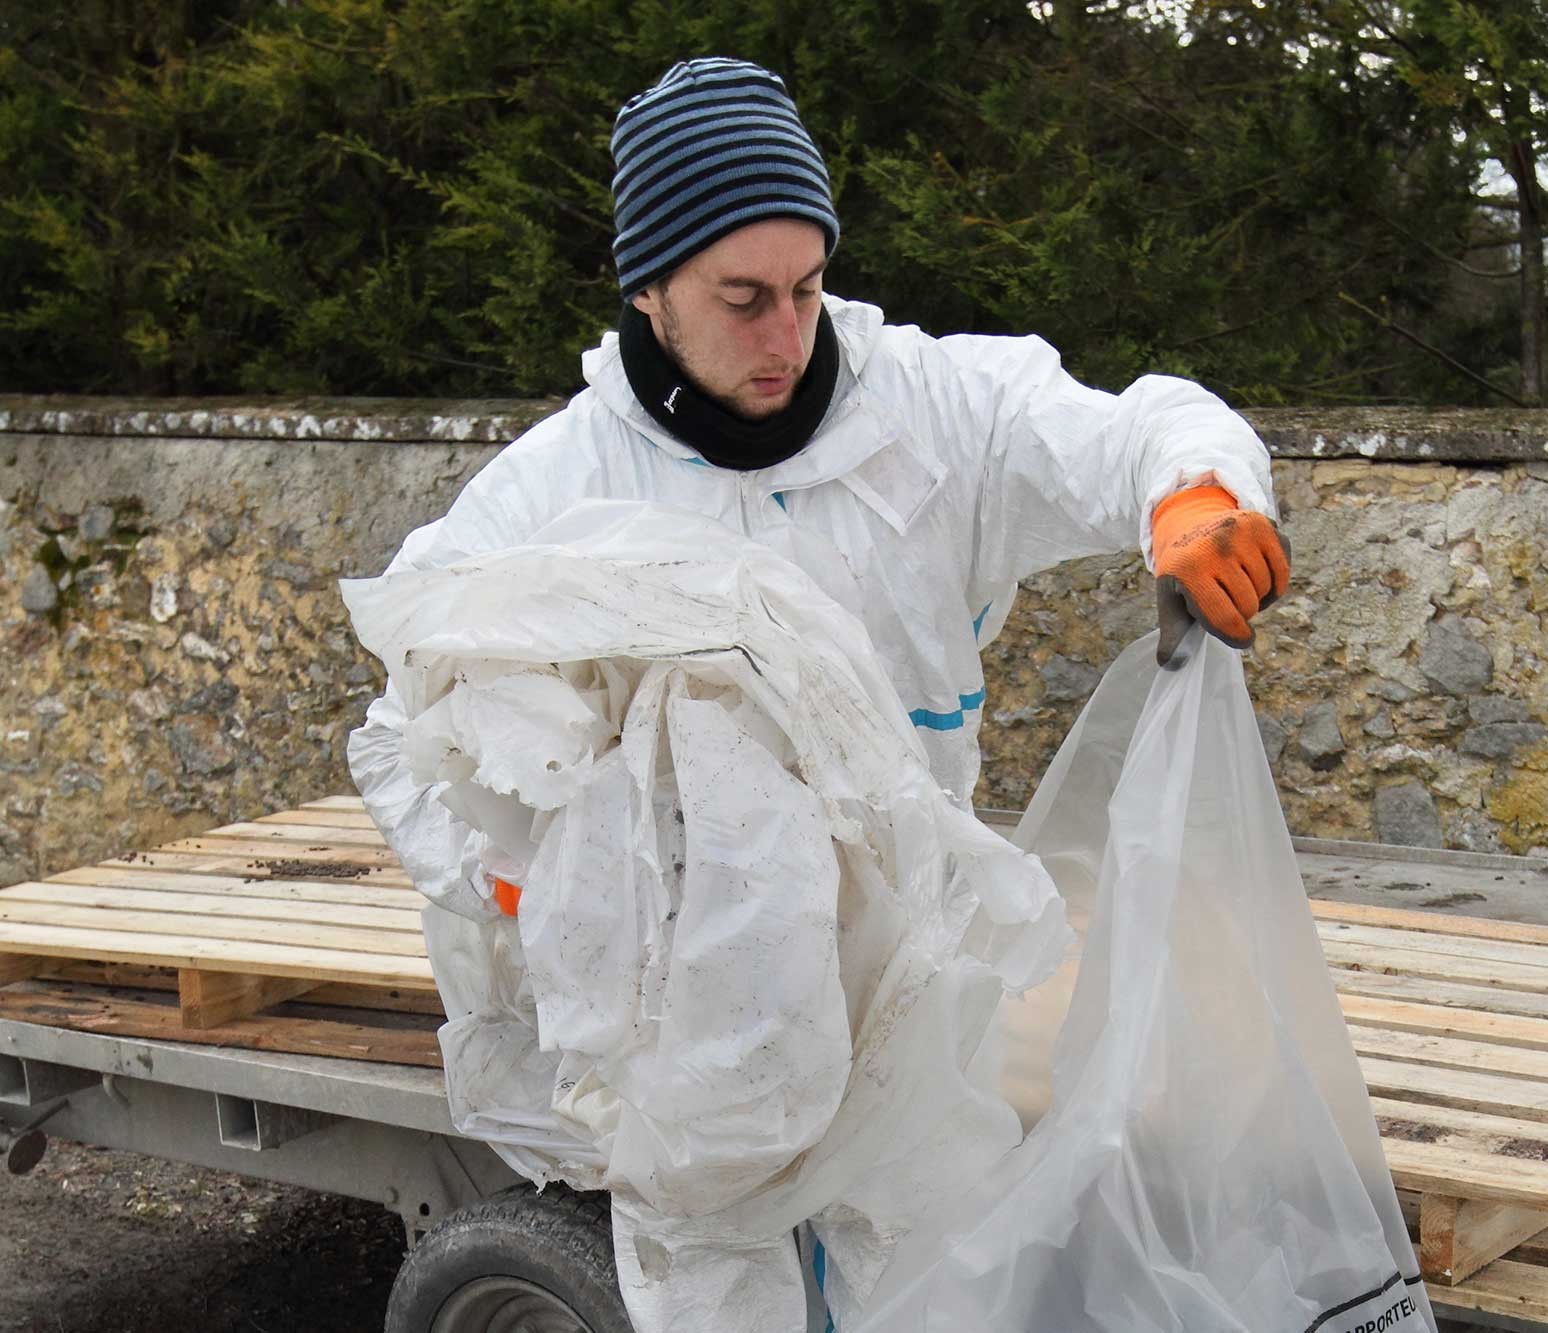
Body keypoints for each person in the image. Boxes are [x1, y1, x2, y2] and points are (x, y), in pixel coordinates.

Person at [348, 52, 1290, 1326]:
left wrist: (1198, 491)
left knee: (945, 1295)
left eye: (807, 286)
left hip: (913, 1009)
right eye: (743, 297)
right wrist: (522, 882)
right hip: (692, 1049)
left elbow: (1140, 426)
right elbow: (406, 735)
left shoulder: (937, 417)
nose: (788, 334)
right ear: (649, 286)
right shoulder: (551, 499)